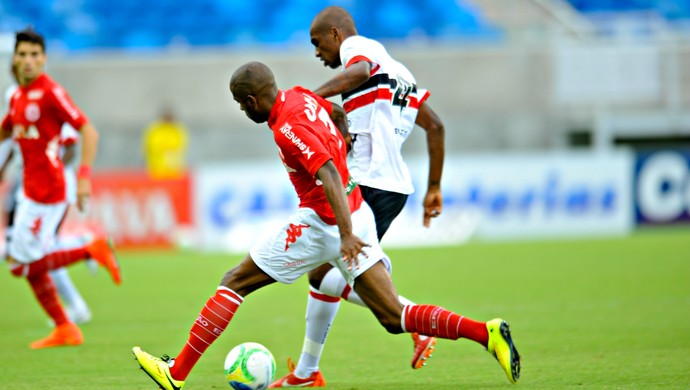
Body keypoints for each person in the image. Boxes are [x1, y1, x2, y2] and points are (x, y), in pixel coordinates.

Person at [132, 61, 520, 389]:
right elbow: (335, 110)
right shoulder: (300, 95)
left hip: (326, 222)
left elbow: (329, 173)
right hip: (357, 210)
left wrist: (345, 233)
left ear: (252, 102)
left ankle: (176, 373)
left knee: (235, 280)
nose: (241, 111)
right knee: (391, 317)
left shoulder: (287, 128)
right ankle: (485, 332)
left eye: (240, 105)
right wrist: (345, 135)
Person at [271, 6, 446, 387]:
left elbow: (360, 71)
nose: (318, 54)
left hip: (370, 180)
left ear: (336, 34)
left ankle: (414, 320)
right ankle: (306, 372)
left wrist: (311, 99)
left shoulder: (360, 49)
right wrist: (434, 187)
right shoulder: (400, 72)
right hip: (392, 185)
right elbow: (435, 126)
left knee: (338, 274)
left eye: (318, 44)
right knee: (323, 273)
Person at [0, 28, 121, 349]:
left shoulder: (51, 92)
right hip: (29, 190)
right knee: (26, 263)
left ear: (44, 59)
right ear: (15, 58)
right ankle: (66, 326)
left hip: (49, 191)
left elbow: (88, 131)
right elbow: (7, 132)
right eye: (22, 54)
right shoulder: (15, 95)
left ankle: (90, 250)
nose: (28, 61)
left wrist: (83, 177)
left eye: (34, 55)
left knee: (19, 264)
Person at [2, 62, 93, 325]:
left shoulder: (49, 97)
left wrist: (51, 170)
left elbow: (73, 140)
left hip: (51, 187)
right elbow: (11, 138)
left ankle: (85, 252)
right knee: (30, 252)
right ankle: (73, 306)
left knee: (32, 255)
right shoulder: (16, 97)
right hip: (26, 183)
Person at [141, 106, 189, 179]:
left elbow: (181, 147)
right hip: (156, 171)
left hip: (175, 172)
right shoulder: (154, 130)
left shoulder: (178, 130)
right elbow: (149, 147)